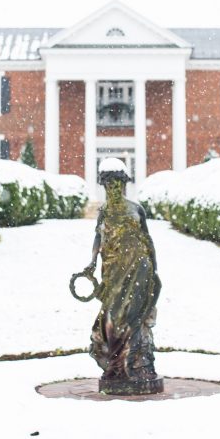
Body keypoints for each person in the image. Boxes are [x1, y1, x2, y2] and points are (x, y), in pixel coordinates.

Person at [81, 157, 163, 395]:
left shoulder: (137, 210)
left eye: (117, 183)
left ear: (124, 184)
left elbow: (147, 240)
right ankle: (116, 366)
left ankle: (137, 364)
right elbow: (99, 238)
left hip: (139, 269)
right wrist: (92, 263)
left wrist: (153, 270)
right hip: (115, 271)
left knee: (134, 315)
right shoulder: (105, 212)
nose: (114, 188)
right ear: (104, 186)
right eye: (109, 184)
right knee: (113, 316)